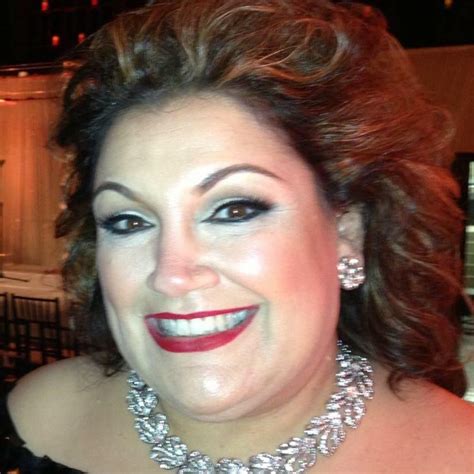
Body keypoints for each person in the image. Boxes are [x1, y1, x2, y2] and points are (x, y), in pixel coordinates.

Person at [2, 0, 473, 472]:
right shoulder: (39, 420)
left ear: (347, 230)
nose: (172, 275)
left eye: (234, 210)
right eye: (129, 221)